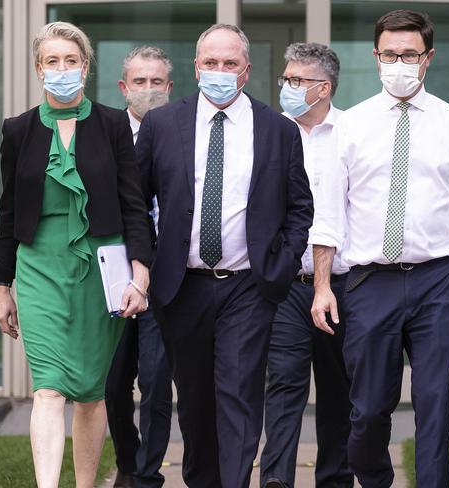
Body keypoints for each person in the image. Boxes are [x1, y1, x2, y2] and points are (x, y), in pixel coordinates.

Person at [310, 9, 449, 488]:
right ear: (376, 57)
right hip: (368, 283)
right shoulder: (350, 127)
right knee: (369, 410)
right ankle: (375, 479)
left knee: (435, 400)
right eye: (390, 54)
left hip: (437, 280)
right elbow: (329, 218)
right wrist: (321, 286)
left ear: (428, 59)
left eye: (410, 54)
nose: (399, 62)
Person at [137, 24, 313, 488]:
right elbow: (134, 201)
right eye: (210, 63)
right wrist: (146, 264)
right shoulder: (161, 125)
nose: (219, 71)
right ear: (196, 67)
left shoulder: (277, 129)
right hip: (182, 286)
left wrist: (282, 262)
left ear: (247, 70)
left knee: (239, 395)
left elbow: (300, 207)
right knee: (194, 406)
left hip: (247, 287)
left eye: (230, 63)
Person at [0, 21, 152, 488]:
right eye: (52, 62)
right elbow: (7, 212)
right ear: (39, 69)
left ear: (85, 66)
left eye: (71, 60)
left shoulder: (112, 124)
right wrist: (3, 287)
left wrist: (139, 275)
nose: (62, 69)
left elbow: (133, 205)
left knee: (89, 393)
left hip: (100, 268)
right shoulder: (18, 130)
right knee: (47, 388)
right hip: (38, 263)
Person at [260, 43, 352, 488]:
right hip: (288, 285)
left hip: (345, 285)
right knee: (283, 387)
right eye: (286, 78)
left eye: (297, 81)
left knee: (339, 391)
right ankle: (276, 480)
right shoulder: (271, 132)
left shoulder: (353, 132)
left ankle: (334, 479)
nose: (287, 87)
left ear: (324, 87)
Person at [105, 45, 174, 488]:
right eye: (139, 81)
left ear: (169, 87)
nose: (147, 90)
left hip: (166, 279)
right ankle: (128, 464)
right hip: (114, 278)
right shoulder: (107, 135)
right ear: (123, 87)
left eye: (156, 82)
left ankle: (147, 475)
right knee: (112, 385)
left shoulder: (181, 133)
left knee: (154, 383)